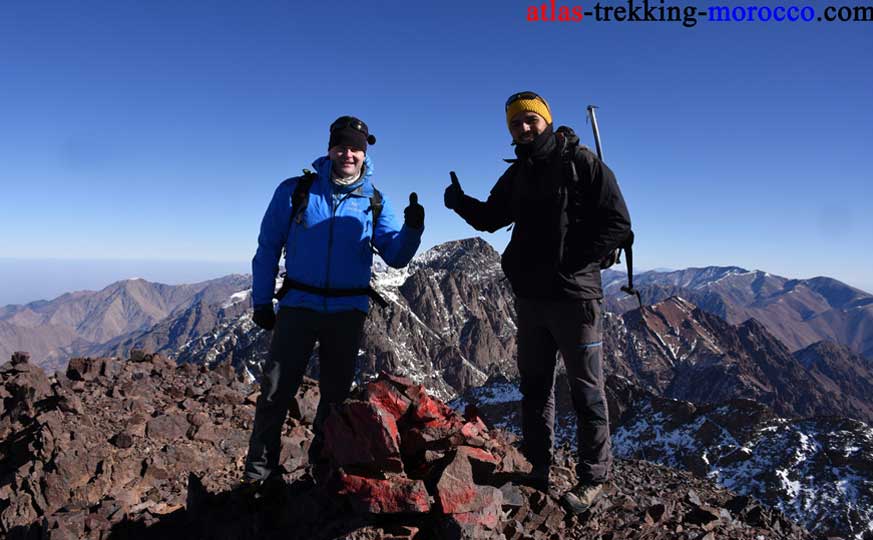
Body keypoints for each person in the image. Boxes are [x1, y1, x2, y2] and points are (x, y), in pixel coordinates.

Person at [443, 92, 631, 513]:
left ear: (545, 120)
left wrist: (573, 262)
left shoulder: (580, 163)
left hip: (575, 298)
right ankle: (537, 467)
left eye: (530, 120)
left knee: (586, 392)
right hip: (532, 299)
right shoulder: (520, 173)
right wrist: (460, 203)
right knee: (534, 388)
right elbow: (492, 217)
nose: (524, 128)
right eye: (515, 124)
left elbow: (618, 222)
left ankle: (593, 478)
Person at [244, 116, 424, 487]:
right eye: (341, 146)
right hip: (298, 305)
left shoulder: (374, 201)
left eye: (356, 148)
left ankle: (321, 469)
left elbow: (395, 255)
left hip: (346, 312)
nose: (348, 154)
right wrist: (262, 301)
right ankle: (259, 474)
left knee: (335, 399)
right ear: (330, 149)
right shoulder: (297, 191)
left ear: (364, 153)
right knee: (276, 391)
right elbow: (268, 248)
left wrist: (412, 230)